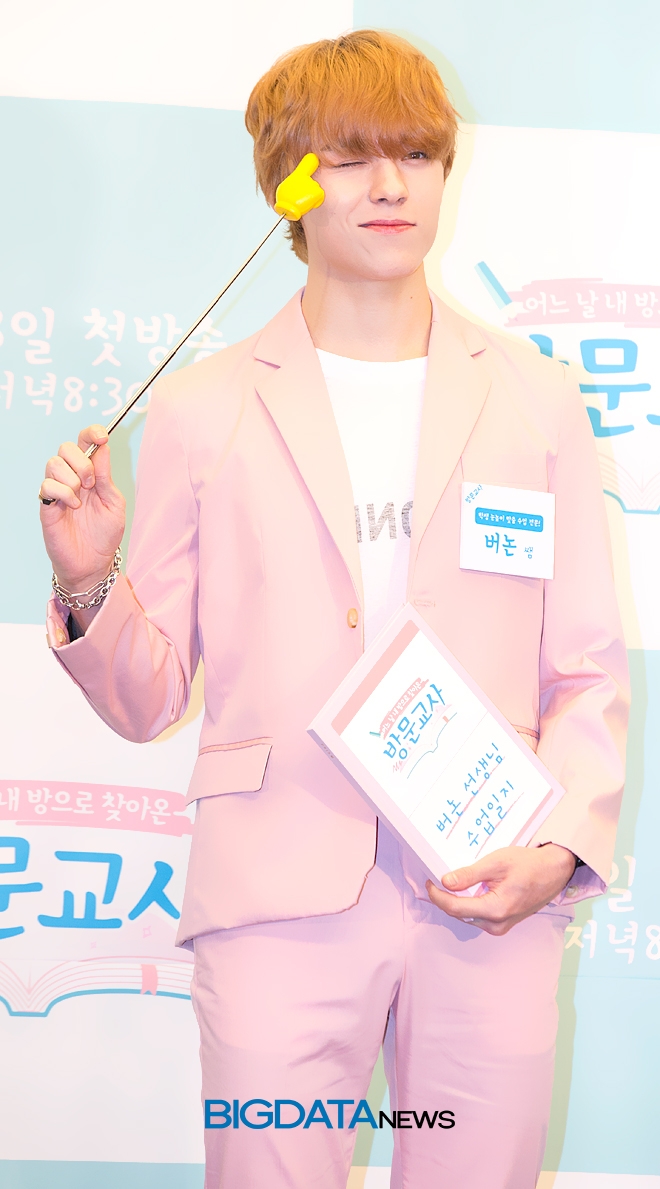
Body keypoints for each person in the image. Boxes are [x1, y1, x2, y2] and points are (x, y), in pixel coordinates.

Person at [40, 29, 629, 1189]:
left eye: (416, 153)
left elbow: (589, 667)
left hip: (488, 888)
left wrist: (559, 847)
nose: (392, 185)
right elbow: (149, 698)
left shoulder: (538, 400)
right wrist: (89, 580)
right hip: (277, 896)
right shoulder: (204, 409)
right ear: (291, 186)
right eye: (352, 157)